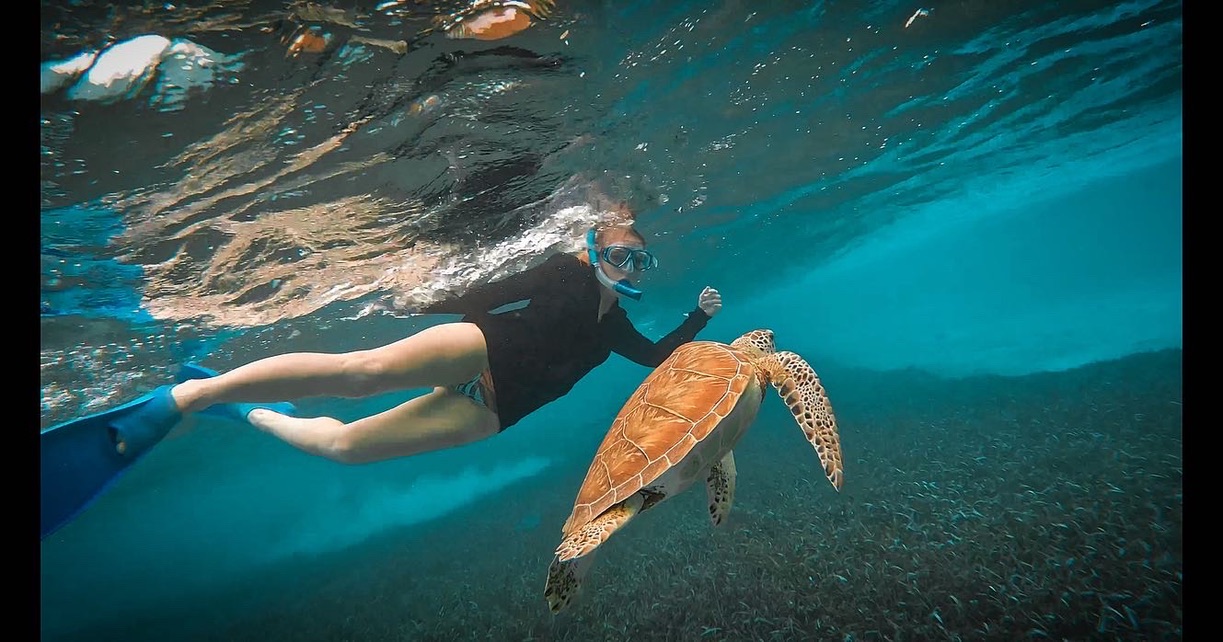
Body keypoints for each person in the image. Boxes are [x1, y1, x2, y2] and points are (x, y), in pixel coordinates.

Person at [40, 211, 721, 537]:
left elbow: (656, 359)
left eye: (639, 262)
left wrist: (694, 318)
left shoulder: (614, 326)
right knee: (357, 371)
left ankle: (243, 411)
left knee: (344, 448)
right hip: (480, 349)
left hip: (494, 410)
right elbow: (491, 289)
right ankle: (189, 393)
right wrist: (421, 302)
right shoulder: (564, 272)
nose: (629, 268)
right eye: (619, 255)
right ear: (593, 248)